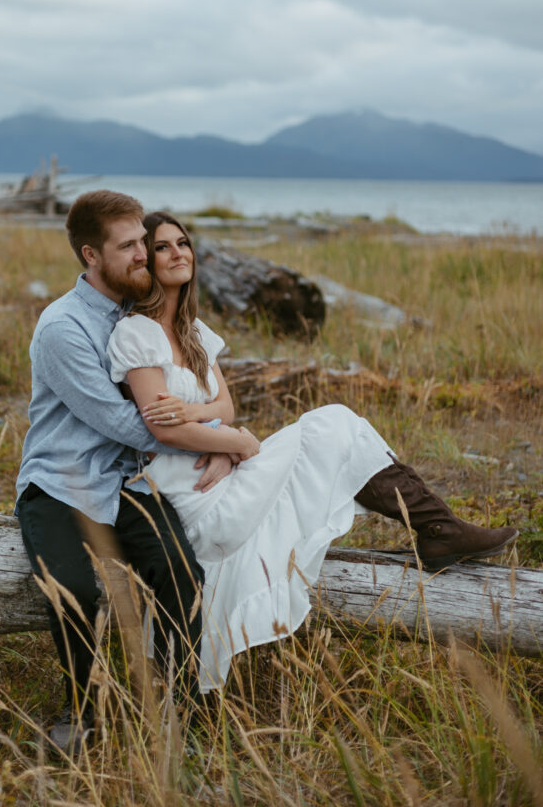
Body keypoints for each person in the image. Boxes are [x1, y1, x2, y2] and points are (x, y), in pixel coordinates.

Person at [107, 211, 519, 692]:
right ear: (145, 260)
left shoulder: (195, 332)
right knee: (331, 424)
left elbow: (225, 404)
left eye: (183, 243)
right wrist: (238, 441)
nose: (179, 253)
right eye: (163, 247)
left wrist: (220, 435)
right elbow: (167, 430)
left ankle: (438, 528)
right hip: (193, 497)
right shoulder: (136, 333)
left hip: (222, 471)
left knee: (336, 423)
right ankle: (437, 529)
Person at [15, 191, 250, 754]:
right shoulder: (62, 328)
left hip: (129, 481)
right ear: (91, 255)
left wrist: (217, 436)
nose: (144, 255)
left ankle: (181, 716)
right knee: (70, 587)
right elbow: (127, 422)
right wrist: (226, 440)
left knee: (180, 573)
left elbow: (182, 397)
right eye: (129, 247)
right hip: (61, 483)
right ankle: (82, 710)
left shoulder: (134, 312)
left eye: (143, 242)